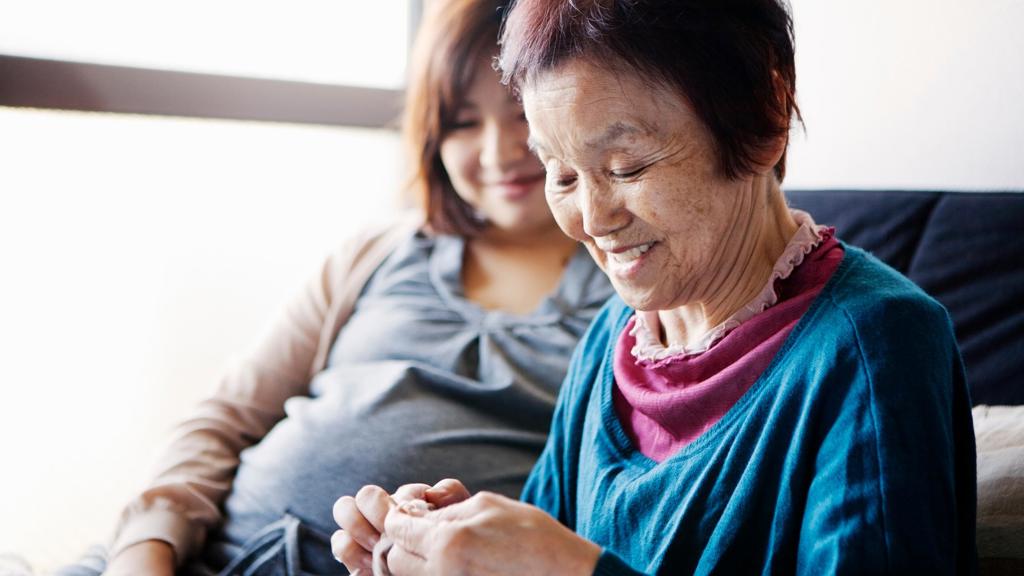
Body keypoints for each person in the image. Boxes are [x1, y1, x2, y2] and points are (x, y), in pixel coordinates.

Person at [332, 0, 978, 574]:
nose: (590, 218)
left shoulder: (876, 346)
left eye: (626, 166)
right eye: (559, 174)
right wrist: (452, 548)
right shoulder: (615, 341)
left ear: (764, 117)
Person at [71, 1, 612, 574]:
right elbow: (225, 420)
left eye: (520, 113)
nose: (497, 150)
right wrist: (143, 553)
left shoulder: (632, 300)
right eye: (461, 121)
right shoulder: (380, 252)